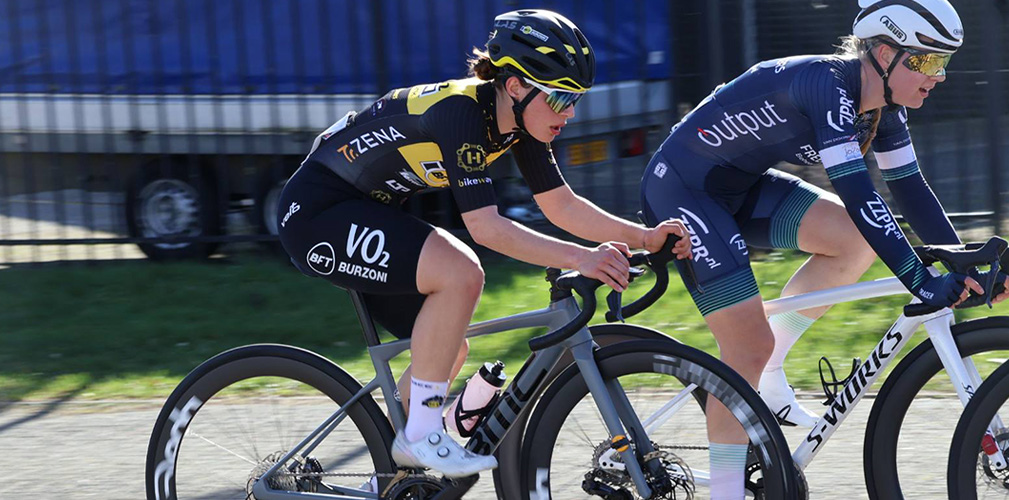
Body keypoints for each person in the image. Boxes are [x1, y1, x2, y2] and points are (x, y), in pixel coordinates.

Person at [277, 9, 691, 479]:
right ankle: (422, 436)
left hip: (365, 210)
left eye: (574, 100)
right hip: (318, 214)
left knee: (445, 349)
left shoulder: (521, 122)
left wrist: (642, 236)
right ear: (515, 86)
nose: (569, 113)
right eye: (559, 99)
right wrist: (583, 257)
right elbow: (487, 229)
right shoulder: (462, 114)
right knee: (461, 272)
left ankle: (403, 476)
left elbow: (562, 206)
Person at [640, 0, 1008, 498]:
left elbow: (911, 188)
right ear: (883, 53)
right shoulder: (827, 86)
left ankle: (768, 376)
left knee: (854, 243)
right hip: (685, 190)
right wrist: (922, 281)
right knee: (746, 347)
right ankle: (726, 487)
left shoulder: (883, 108)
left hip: (740, 185)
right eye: (927, 61)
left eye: (943, 62)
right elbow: (859, 193)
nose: (938, 75)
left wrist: (964, 259)